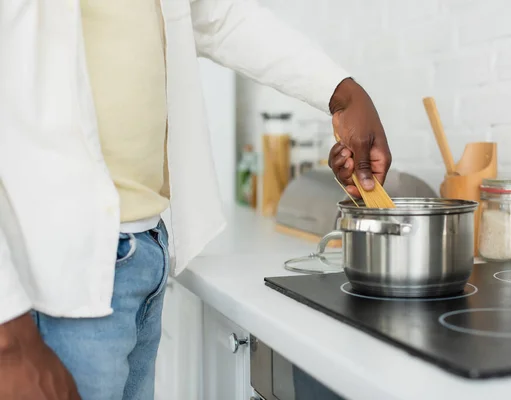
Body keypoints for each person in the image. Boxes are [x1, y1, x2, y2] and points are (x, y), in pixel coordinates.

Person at [0, 0, 391, 399]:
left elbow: (215, 16)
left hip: (143, 251)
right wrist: (8, 342)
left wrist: (341, 91)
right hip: (52, 278)